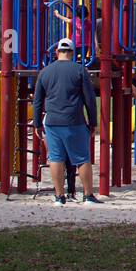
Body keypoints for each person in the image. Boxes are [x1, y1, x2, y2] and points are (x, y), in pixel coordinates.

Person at [32, 38, 100, 205]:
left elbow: (37, 101)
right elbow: (89, 99)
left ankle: (59, 196)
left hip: (52, 121)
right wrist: (93, 122)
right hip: (74, 120)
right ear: (73, 53)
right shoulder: (80, 70)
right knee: (82, 158)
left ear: (57, 53)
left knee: (55, 158)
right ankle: (88, 195)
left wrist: (37, 124)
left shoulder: (45, 72)